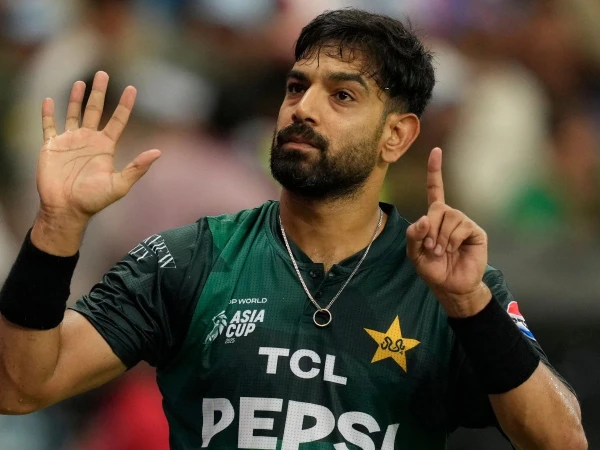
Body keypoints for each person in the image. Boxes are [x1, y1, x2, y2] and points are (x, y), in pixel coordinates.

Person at [0, 9, 587, 450]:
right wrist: (57, 224)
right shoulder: (192, 258)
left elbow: (563, 440)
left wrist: (469, 305)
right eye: (297, 86)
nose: (303, 107)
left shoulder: (448, 285)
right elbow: (20, 386)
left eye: (342, 95)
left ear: (397, 136)